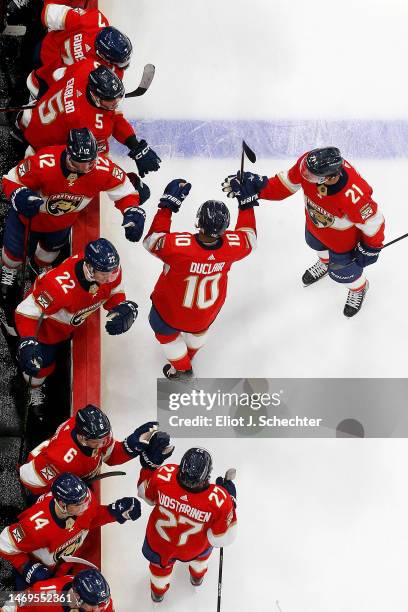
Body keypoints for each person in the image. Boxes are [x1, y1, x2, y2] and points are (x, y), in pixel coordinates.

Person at [0, 127, 148, 325]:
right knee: (13, 253)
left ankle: (44, 274)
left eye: (92, 160)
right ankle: (9, 272)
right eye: (83, 162)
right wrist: (19, 195)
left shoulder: (100, 167)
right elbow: (11, 178)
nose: (89, 167)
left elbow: (123, 187)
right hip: (27, 219)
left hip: (60, 223)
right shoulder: (46, 162)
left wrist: (131, 210)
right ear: (69, 155)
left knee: (48, 255)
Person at [223, 147, 385, 316]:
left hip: (343, 244)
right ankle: (324, 263)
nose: (305, 176)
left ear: (330, 177)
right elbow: (285, 185)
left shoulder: (354, 196)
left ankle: (359, 288)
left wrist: (371, 248)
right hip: (315, 226)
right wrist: (258, 187)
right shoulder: (310, 163)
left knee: (344, 273)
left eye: (312, 176)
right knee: (314, 243)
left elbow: (374, 222)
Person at [143, 179, 257, 380]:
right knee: (197, 331)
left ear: (197, 222)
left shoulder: (178, 246)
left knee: (164, 332)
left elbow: (151, 241)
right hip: (205, 313)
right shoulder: (233, 246)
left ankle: (183, 369)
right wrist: (245, 205)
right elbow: (249, 238)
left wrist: (166, 207)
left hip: (170, 310)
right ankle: (190, 355)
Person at [14, 238, 138, 414]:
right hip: (46, 331)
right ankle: (33, 387)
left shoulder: (109, 272)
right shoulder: (57, 288)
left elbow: (114, 290)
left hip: (68, 325)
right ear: (89, 268)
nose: (112, 277)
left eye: (114, 271)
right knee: (41, 365)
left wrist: (121, 307)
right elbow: (25, 313)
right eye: (106, 274)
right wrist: (27, 340)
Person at [0, 472, 141, 589]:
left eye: (86, 499)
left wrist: (114, 512)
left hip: (62, 566)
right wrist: (28, 568)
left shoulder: (82, 501)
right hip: (37, 576)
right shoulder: (34, 527)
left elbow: (91, 517)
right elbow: (4, 543)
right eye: (80, 504)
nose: (86, 506)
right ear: (62, 504)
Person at [18, 61, 161, 177]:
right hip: (40, 147)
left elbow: (58, 75)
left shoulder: (87, 66)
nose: (116, 103)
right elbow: (97, 164)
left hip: (34, 115)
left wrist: (135, 145)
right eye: (110, 100)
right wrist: (130, 177)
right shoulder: (90, 126)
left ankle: (17, 125)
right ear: (95, 96)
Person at [138, 447, 237, 603]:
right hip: (195, 548)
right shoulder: (219, 500)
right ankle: (197, 578)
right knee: (201, 559)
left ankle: (157, 594)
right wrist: (231, 502)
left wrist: (149, 466)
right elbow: (222, 538)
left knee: (159, 572)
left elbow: (146, 495)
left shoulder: (165, 474)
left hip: (159, 544)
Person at [19, 405, 159, 495]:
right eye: (99, 441)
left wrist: (135, 444)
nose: (104, 443)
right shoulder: (61, 459)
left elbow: (111, 457)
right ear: (82, 438)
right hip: (39, 482)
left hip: (72, 472)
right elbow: (29, 480)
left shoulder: (95, 432)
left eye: (105, 438)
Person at [29, 17, 132, 99]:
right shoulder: (99, 70)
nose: (125, 64)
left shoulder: (95, 19)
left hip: (44, 45)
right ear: (103, 56)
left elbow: (56, 15)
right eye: (121, 62)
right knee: (40, 90)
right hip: (47, 71)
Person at [2, 569, 114, 611]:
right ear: (77, 597)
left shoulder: (101, 600)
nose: (99, 609)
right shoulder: (42, 595)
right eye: (93, 605)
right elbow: (12, 604)